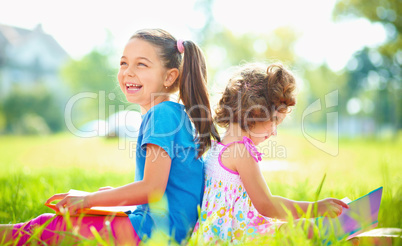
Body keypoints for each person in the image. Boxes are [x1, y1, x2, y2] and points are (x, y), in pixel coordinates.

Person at [0, 28, 220, 245]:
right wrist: (115, 197)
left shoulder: (161, 114)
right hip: (163, 227)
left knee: (48, 228)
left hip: (153, 231)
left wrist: (88, 199)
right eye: (123, 63)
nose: (128, 72)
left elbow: (152, 188)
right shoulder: (172, 112)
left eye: (141, 64)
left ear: (170, 76)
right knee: (53, 225)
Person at [192, 63, 349, 244]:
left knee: (300, 227)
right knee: (305, 228)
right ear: (254, 111)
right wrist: (315, 208)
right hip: (238, 237)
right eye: (275, 120)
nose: (274, 132)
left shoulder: (218, 145)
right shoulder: (241, 152)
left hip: (224, 233)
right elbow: (266, 204)